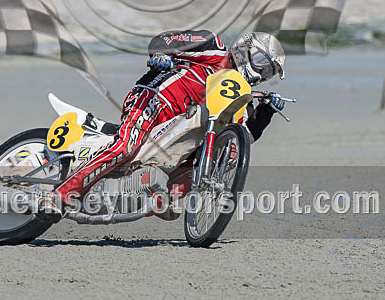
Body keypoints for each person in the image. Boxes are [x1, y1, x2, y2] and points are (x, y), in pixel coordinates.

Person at [37, 30, 287, 219]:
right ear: (246, 48)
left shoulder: (241, 100)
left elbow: (245, 136)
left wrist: (266, 111)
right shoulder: (213, 46)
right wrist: (160, 56)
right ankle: (58, 196)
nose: (261, 75)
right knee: (125, 148)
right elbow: (163, 41)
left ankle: (167, 194)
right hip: (153, 99)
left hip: (177, 129)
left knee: (228, 153)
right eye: (262, 64)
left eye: (268, 73)